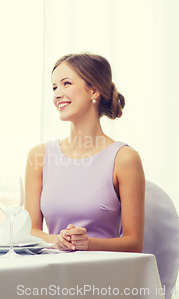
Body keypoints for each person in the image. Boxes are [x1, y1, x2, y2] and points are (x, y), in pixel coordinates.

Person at [24, 53, 145, 252]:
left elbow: (134, 243)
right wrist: (58, 240)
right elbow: (30, 232)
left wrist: (88, 244)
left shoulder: (124, 159)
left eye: (66, 84)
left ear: (94, 91)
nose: (57, 94)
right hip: (53, 275)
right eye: (54, 87)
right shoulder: (39, 156)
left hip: (104, 276)